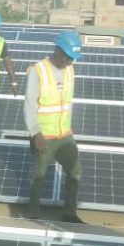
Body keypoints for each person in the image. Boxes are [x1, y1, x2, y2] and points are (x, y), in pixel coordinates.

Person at [22, 30, 83, 222]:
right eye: (67, 57)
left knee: (75, 171)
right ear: (57, 51)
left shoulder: (70, 69)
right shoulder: (38, 70)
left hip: (64, 134)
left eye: (72, 58)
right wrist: (35, 133)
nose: (70, 61)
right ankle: (33, 213)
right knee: (38, 175)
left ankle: (70, 213)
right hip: (44, 135)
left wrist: (68, 127)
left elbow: (67, 102)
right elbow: (30, 104)